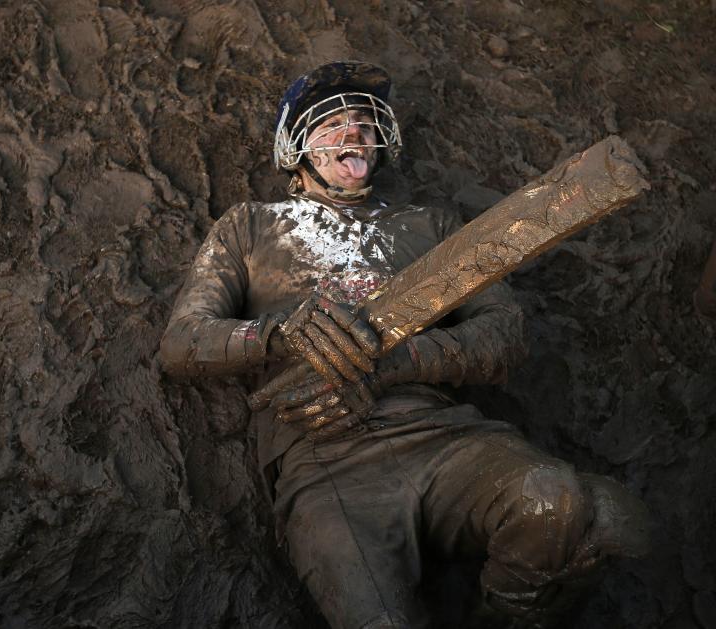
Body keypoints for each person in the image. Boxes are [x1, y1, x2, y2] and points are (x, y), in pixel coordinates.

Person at [158, 61, 649, 629]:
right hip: (325, 463)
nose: (353, 132)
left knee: (558, 501)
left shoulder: (431, 225)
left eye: (364, 122)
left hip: (444, 436)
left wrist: (397, 362)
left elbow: (504, 333)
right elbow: (181, 343)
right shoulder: (250, 226)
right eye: (329, 122)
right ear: (294, 147)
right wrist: (277, 332)